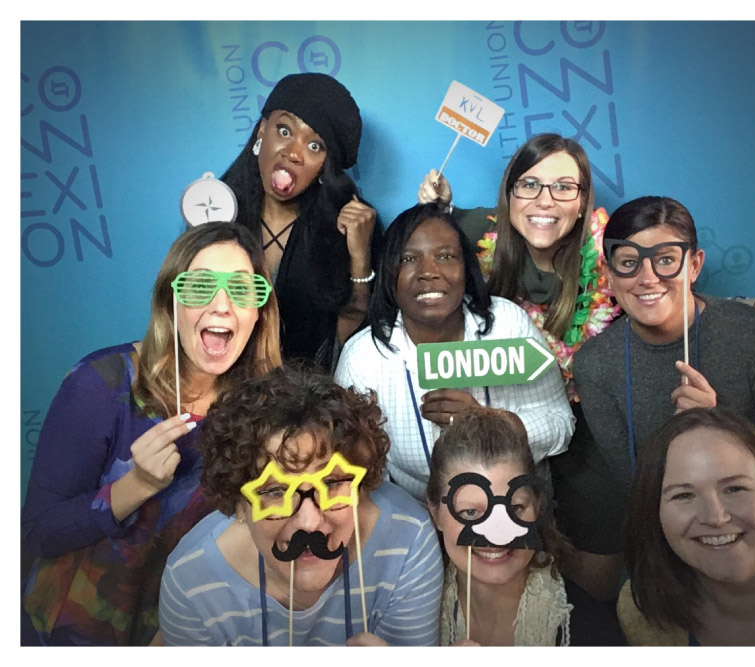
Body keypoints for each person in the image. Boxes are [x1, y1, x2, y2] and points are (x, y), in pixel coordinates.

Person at [418, 134, 755, 599]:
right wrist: (440, 207)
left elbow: (667, 293)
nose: (545, 200)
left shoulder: (616, 264)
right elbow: (427, 252)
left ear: (583, 201)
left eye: (564, 187)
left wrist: (751, 311)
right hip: (531, 440)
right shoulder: (479, 241)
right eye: (530, 185)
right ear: (510, 194)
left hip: (591, 438)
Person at [21, 222, 282, 645]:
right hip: (74, 630)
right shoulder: (101, 384)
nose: (222, 306)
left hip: (184, 631)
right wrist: (137, 485)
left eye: (241, 289)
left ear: (259, 310)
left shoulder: (262, 407)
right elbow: (38, 533)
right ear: (170, 302)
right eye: (200, 287)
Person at [572, 196, 755, 570]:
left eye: (666, 260)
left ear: (694, 266)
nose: (648, 277)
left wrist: (723, 432)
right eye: (629, 263)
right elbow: (636, 490)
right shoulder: (596, 365)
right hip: (679, 560)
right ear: (608, 274)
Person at [159, 365, 443, 646]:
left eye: (330, 483)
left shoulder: (408, 540)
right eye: (275, 491)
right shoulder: (191, 582)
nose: (309, 522)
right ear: (239, 506)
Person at [334, 203, 573, 502]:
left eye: (445, 256)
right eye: (408, 259)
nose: (429, 272)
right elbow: (358, 471)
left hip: (513, 506)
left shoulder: (507, 324)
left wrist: (492, 425)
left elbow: (561, 424)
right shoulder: (364, 357)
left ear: (466, 268)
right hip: (417, 514)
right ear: (388, 273)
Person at [427, 406, 625, 646]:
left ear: (537, 506)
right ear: (435, 513)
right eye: (470, 512)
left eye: (514, 508)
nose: (497, 535)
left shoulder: (592, 630)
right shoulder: (405, 614)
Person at [221, 72, 381, 370]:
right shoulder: (217, 209)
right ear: (262, 129)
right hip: (224, 387)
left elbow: (353, 338)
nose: (293, 153)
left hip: (306, 391)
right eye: (284, 131)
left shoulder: (346, 227)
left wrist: (360, 256)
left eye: (315, 146)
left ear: (325, 166)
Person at [618, 407, 755, 646]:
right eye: (684, 495)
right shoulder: (641, 611)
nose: (716, 517)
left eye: (735, 489)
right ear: (653, 511)